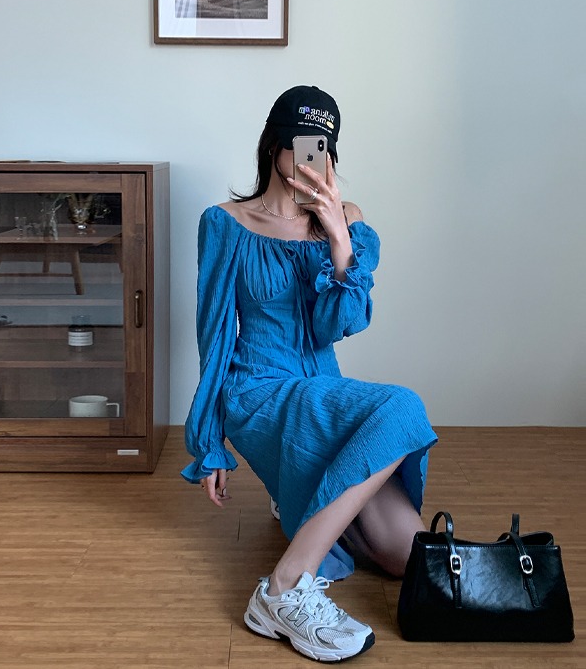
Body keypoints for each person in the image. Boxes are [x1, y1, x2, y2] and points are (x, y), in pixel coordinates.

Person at [182, 85, 438, 661]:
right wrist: (209, 443)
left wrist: (339, 237)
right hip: (258, 390)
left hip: (322, 389)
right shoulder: (225, 223)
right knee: (401, 406)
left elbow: (337, 326)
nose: (309, 158)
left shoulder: (346, 221)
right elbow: (213, 334)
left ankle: (300, 497)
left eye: (322, 146)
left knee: (409, 557)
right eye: (300, 143)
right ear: (274, 145)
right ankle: (283, 588)